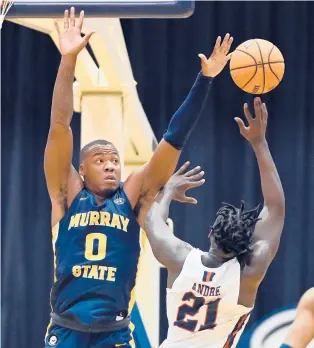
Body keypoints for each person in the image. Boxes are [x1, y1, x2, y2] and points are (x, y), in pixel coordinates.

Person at [43, 6, 233, 348]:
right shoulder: (66, 195)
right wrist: (68, 59)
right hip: (66, 327)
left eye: (114, 159)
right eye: (100, 160)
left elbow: (172, 141)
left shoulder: (132, 198)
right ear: (81, 170)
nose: (111, 165)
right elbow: (59, 126)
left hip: (113, 331)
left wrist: (204, 80)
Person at [144, 98, 285, 348]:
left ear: (211, 233)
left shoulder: (179, 257)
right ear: (246, 245)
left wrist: (169, 191)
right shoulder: (249, 273)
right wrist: (259, 143)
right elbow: (275, 209)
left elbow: (152, 218)